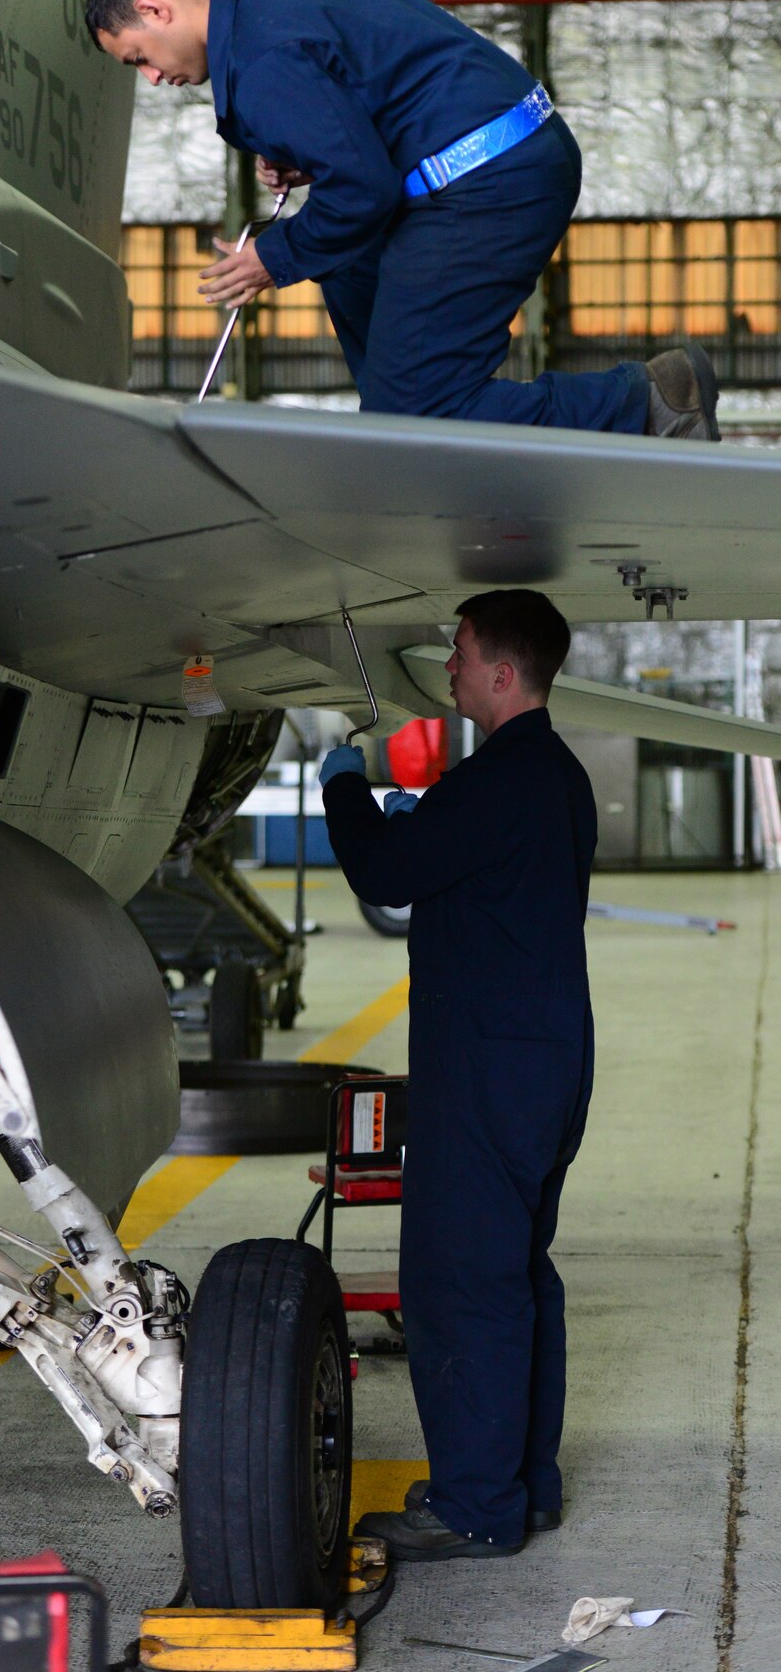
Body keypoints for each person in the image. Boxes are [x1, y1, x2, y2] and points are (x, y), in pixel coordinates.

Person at [85, 0, 719, 438]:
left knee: (422, 413)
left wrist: (269, 259)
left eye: (138, 58)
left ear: (154, 10)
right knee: (362, 306)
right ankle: (404, 436)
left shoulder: (262, 58)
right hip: (498, 154)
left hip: (487, 180)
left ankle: (649, 400)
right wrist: (310, 155)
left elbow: (363, 193)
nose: (151, 78)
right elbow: (379, 99)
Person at [319, 590, 596, 1560]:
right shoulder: (553, 776)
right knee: (518, 1270)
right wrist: (429, 816)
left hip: (490, 1070)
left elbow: (384, 869)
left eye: (463, 651)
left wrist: (346, 786)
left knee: (458, 1277)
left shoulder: (501, 780)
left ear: (504, 673)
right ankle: (528, 1485)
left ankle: (477, 1503)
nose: (450, 667)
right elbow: (472, 867)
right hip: (548, 1062)